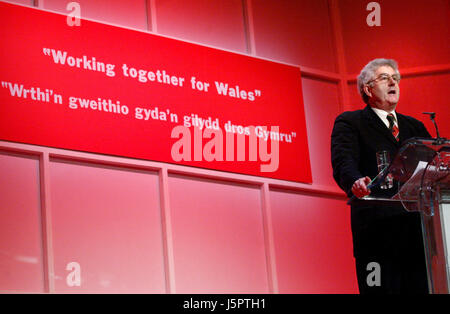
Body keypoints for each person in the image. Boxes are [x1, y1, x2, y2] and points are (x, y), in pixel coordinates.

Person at [331, 58, 431, 294]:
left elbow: (434, 166)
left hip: (417, 235)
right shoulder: (351, 122)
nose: (393, 82)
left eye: (396, 78)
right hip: (377, 235)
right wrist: (355, 181)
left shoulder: (415, 127)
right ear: (367, 88)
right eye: (385, 78)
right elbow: (343, 161)